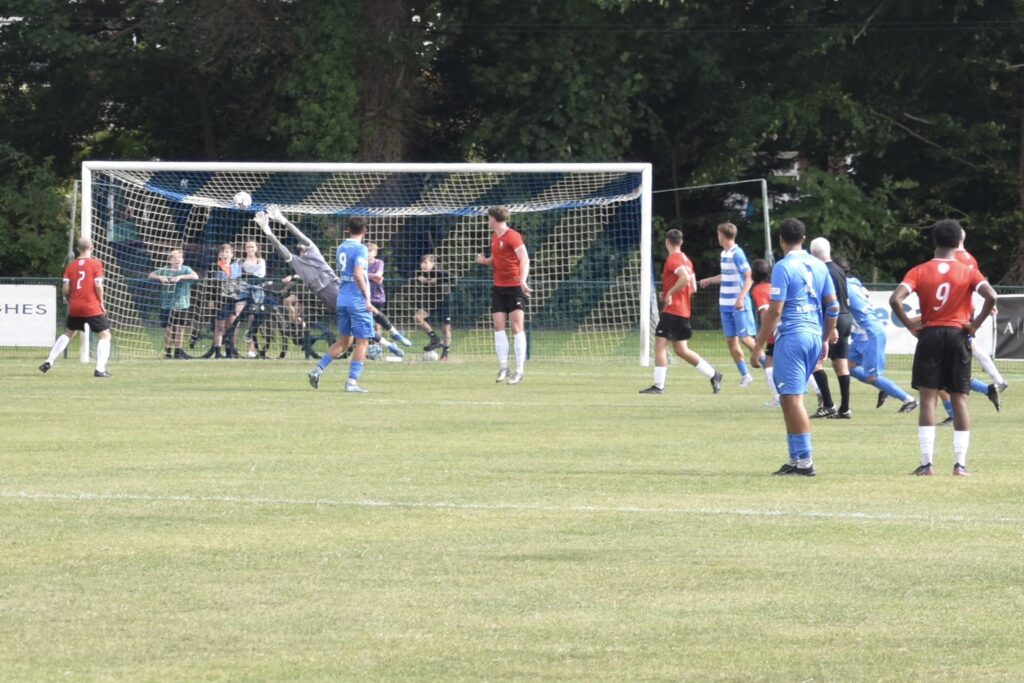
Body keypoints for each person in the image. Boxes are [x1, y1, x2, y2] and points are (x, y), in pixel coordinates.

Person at [890, 219, 998, 477]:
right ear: (959, 241)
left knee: (928, 399)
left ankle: (927, 464)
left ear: (934, 241)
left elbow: (895, 299)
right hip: (958, 335)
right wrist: (974, 326)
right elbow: (992, 296)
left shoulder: (919, 271)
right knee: (959, 398)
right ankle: (960, 465)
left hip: (930, 334)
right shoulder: (968, 271)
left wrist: (910, 326)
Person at [257, 207, 410, 355]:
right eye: (299, 247)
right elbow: (281, 248)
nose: (301, 246)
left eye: (302, 245)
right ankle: (390, 342)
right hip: (328, 296)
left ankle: (393, 337)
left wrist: (282, 220)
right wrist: (267, 231)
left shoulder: (314, 252)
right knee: (360, 322)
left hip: (337, 290)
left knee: (366, 315)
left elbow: (299, 235)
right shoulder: (297, 262)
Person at [752, 218, 838, 477]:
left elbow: (775, 311)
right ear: (804, 239)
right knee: (788, 399)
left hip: (793, 336)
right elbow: (833, 306)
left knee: (792, 398)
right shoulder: (819, 265)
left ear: (781, 240)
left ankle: (806, 461)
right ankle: (795, 458)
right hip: (813, 335)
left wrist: (758, 345)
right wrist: (825, 337)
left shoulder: (783, 266)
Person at [639, 229, 723, 395]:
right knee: (681, 350)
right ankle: (714, 374)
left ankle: (659, 386)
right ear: (681, 242)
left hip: (674, 310)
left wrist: (670, 294)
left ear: (667, 242)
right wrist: (674, 294)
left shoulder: (673, 259)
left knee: (660, 345)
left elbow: (684, 278)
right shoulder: (687, 260)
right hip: (683, 310)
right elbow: (693, 287)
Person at [307, 217, 379, 393]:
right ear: (365, 231)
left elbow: (348, 272)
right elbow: (358, 274)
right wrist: (367, 298)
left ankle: (317, 370)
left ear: (348, 230)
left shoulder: (341, 248)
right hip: (357, 301)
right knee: (363, 342)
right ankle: (352, 382)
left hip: (343, 299)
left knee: (346, 341)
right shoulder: (361, 249)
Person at [843, 262, 917, 413]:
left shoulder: (843, 287)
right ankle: (883, 386)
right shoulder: (854, 282)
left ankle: (909, 400)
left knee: (872, 377)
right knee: (848, 366)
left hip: (870, 333)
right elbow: (865, 294)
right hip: (860, 334)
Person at [39, 237, 114, 378]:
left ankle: (50, 360)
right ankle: (100, 369)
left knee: (69, 333)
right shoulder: (96, 264)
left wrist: (69, 300)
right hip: (91, 306)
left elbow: (65, 288)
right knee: (105, 335)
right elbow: (98, 285)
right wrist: (101, 302)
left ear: (77, 249)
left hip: (75, 306)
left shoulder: (71, 266)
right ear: (92, 248)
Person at [476, 206, 532, 384]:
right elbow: (497, 259)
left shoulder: (512, 236)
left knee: (516, 327)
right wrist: (485, 261)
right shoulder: (495, 237)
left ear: (493, 218)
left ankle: (519, 370)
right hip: (498, 288)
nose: (487, 221)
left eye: (488, 218)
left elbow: (525, 258)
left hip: (515, 287)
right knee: (498, 326)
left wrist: (523, 281)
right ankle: (503, 367)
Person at [698, 222, 757, 387]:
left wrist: (741, 298)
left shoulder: (738, 253)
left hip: (738, 304)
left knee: (746, 339)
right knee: (731, 340)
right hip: (725, 304)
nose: (717, 237)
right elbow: (726, 275)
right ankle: (746, 375)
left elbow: (749, 277)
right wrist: (709, 280)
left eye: (718, 234)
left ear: (723, 236)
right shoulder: (724, 254)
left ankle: (770, 367)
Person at [955, 226, 1007, 404]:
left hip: (957, 313)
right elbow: (978, 282)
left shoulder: (954, 258)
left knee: (958, 357)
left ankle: (995, 383)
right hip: (965, 311)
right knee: (972, 347)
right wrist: (988, 303)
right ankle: (997, 381)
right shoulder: (970, 258)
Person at [808, 237, 853, 419]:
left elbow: (828, 301)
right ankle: (845, 408)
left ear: (812, 253)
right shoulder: (839, 269)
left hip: (832, 318)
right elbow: (846, 298)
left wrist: (831, 327)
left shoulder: (821, 270)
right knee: (841, 364)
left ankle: (828, 404)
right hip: (846, 316)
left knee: (815, 362)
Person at [148, 248, 199, 359]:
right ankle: (168, 351)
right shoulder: (165, 270)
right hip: (167, 304)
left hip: (182, 304)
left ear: (182, 259)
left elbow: (195, 276)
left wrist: (180, 277)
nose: (177, 260)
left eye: (179, 258)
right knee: (169, 329)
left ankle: (178, 351)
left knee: (180, 328)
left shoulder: (186, 269)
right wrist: (160, 277)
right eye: (174, 258)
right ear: (170, 260)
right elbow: (151, 275)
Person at [750, 258, 780, 408]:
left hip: (775, 332)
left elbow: (765, 314)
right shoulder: (774, 286)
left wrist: (762, 335)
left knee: (769, 365)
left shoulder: (759, 290)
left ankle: (778, 398)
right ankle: (820, 391)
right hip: (788, 328)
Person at [414, 253, 452, 359]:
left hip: (444, 299)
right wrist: (423, 280)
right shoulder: (421, 272)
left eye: (426, 262)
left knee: (446, 328)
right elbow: (418, 278)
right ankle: (434, 339)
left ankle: (445, 354)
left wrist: (437, 280)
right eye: (422, 262)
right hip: (431, 300)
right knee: (418, 317)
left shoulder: (439, 270)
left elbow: (451, 276)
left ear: (433, 263)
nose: (423, 265)